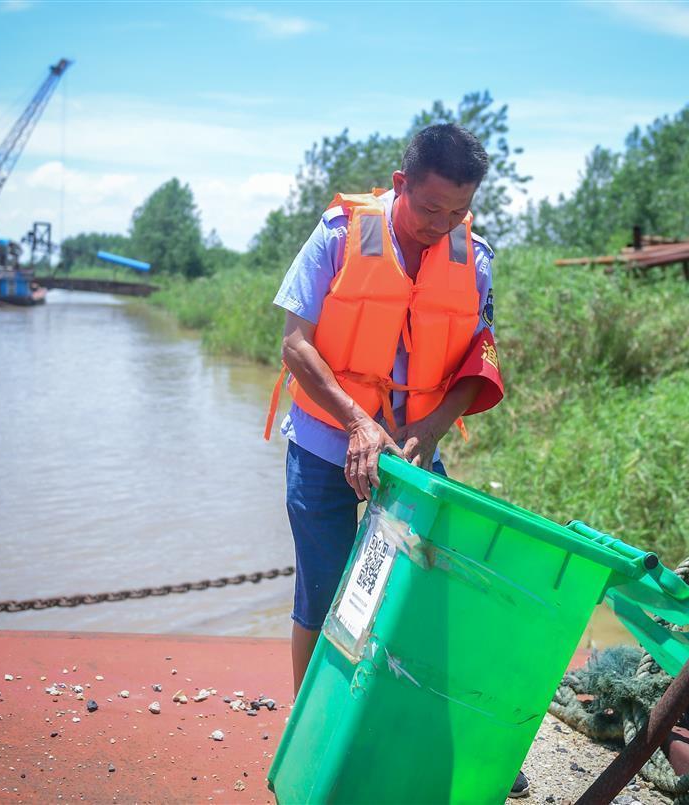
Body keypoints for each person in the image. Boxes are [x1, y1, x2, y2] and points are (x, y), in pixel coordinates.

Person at [266, 124, 528, 797]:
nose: (441, 225)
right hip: (325, 442)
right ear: (400, 183)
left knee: (422, 597)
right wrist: (357, 421)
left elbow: (480, 360)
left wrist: (432, 429)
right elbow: (295, 342)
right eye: (430, 207)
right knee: (322, 591)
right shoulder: (340, 234)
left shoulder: (474, 256)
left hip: (415, 454)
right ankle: (311, 733)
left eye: (458, 211)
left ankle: (416, 727)